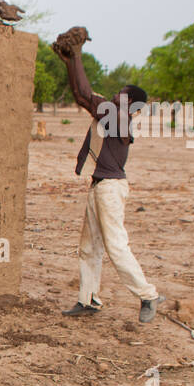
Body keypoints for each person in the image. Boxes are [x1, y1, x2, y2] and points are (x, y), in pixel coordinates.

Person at [52, 27, 165, 323]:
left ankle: (148, 295)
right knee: (89, 246)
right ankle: (88, 300)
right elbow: (80, 95)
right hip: (100, 186)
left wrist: (77, 53)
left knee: (115, 245)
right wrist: (69, 62)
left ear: (132, 105)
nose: (116, 95)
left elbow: (87, 95)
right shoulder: (112, 111)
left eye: (122, 95)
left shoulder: (118, 117)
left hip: (111, 190)